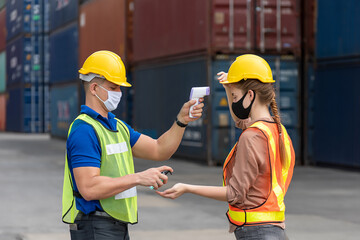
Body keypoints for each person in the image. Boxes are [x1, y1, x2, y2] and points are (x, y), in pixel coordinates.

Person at [62, 50, 205, 240]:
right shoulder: (84, 130)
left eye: (120, 88)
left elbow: (159, 149)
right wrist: (139, 178)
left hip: (115, 226)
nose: (119, 93)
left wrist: (181, 121)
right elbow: (89, 188)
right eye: (113, 87)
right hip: (95, 226)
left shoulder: (118, 127)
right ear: (94, 88)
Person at [157, 54, 295, 240]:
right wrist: (229, 89)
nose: (234, 100)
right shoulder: (277, 131)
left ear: (251, 95)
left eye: (235, 96)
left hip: (256, 232)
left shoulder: (252, 136)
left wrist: (187, 188)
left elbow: (235, 193)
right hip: (276, 230)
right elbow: (241, 120)